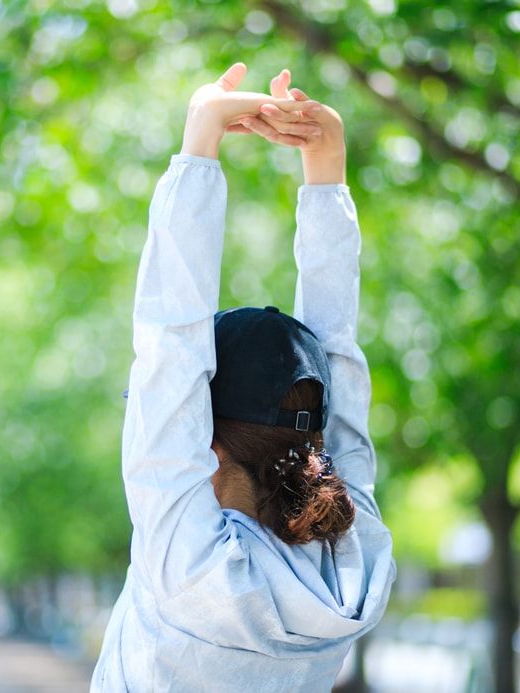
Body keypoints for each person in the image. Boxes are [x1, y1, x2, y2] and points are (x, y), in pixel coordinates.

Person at [91, 63, 395, 692]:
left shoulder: (188, 564)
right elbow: (330, 357)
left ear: (208, 434)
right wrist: (324, 167)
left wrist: (204, 143)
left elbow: (175, 341)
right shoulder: (350, 569)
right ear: (318, 445)